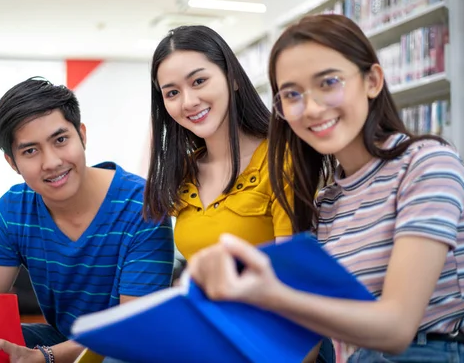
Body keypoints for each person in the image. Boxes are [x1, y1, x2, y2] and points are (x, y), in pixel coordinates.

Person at [187, 13, 464, 363]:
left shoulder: (427, 164)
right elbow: (321, 340)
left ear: (372, 80)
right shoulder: (328, 202)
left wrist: (271, 293)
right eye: (292, 94)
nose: (311, 108)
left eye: (328, 82)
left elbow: (397, 327)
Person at [142, 25, 334, 363]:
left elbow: (301, 291)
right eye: (171, 93)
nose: (188, 101)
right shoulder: (183, 172)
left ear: (232, 77)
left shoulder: (282, 159)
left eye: (199, 81)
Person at [0, 77, 174, 363]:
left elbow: (133, 329)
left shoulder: (142, 204)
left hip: (133, 348)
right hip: (65, 342)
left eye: (60, 140)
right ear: (12, 163)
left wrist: (45, 357)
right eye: (30, 151)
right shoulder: (12, 210)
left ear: (82, 135)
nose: (51, 162)